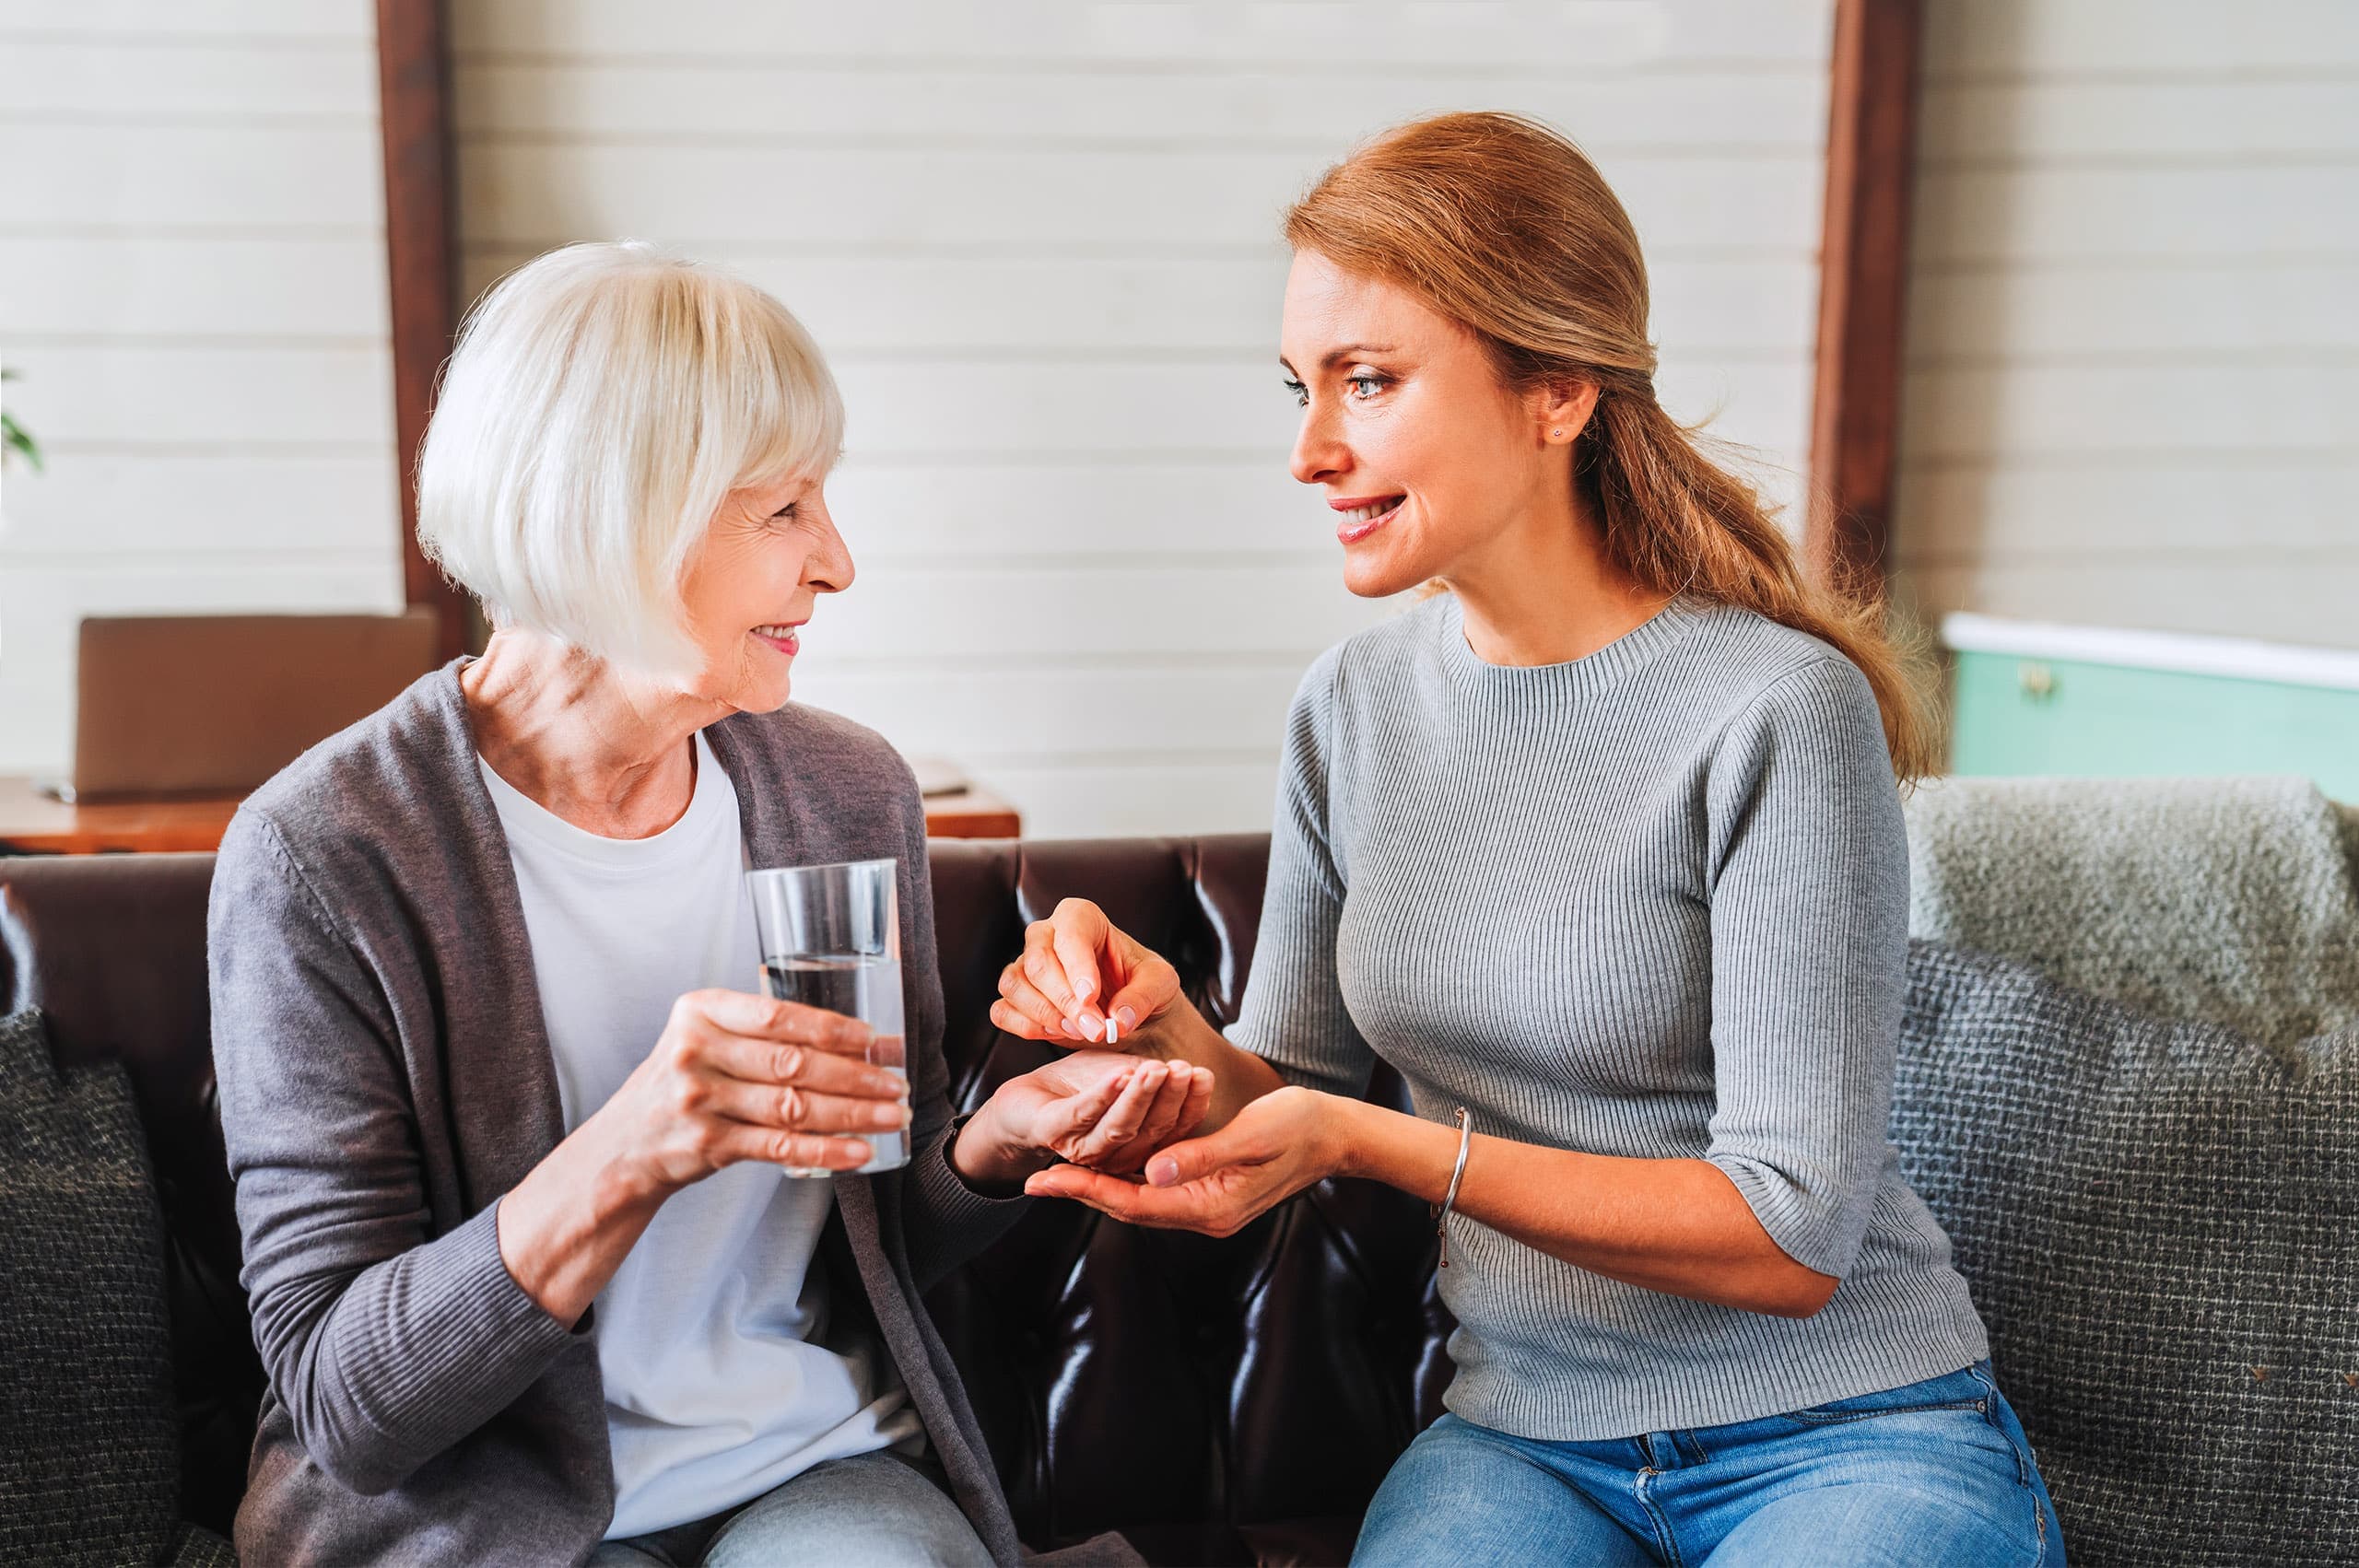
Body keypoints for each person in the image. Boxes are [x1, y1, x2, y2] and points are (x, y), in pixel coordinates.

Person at [992, 114, 2066, 1567]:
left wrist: (1375, 1139)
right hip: (1525, 1444)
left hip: (1849, 1435)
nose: (1312, 450)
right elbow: (1283, 1093)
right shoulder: (1353, 707)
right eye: (1302, 388)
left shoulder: (1773, 711)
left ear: (1557, 389)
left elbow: (1791, 1234)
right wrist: (1147, 1007)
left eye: (1368, 383)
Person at [207, 242, 1192, 1566]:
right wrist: (634, 1149)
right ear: (616, 515)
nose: (836, 560)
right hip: (484, 1516)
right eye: (781, 509)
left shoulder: (844, 791)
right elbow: (348, 1403)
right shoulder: (326, 854)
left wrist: (992, 1144)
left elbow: (868, 1223)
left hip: (810, 1476)